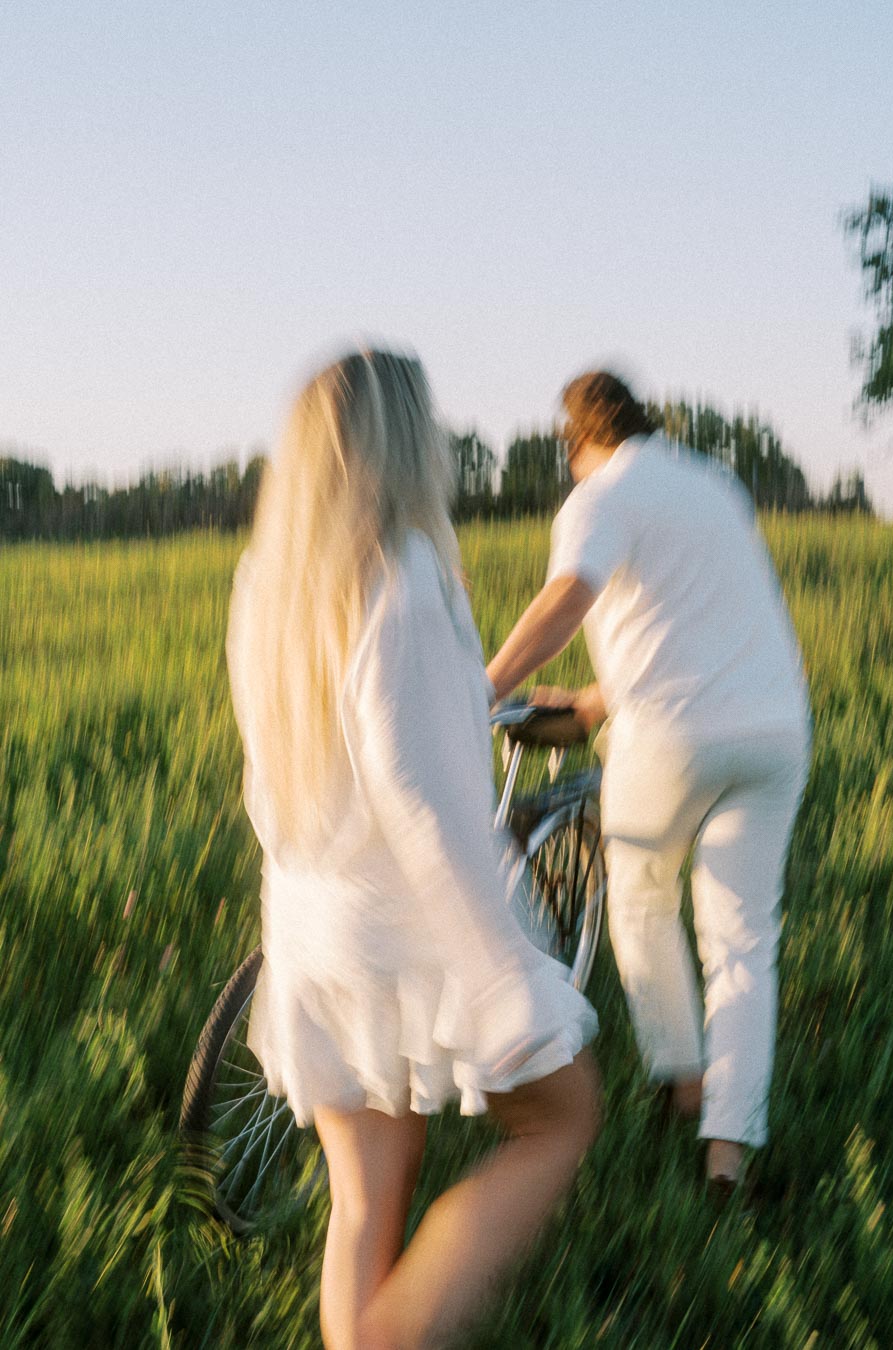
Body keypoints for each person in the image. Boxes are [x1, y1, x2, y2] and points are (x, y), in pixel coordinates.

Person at [226, 349, 600, 1349]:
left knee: (361, 1207)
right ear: (407, 448)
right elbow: (426, 803)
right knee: (560, 1120)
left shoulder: (269, 589)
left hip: (310, 935)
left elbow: (269, 782)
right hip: (405, 935)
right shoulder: (403, 578)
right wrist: (500, 977)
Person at [486, 370, 810, 1194]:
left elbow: (570, 595)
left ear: (577, 444)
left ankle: (683, 1079)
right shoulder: (714, 484)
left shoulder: (599, 495)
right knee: (743, 942)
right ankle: (727, 1153)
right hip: (774, 730)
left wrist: (481, 687)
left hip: (670, 740)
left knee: (637, 892)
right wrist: (595, 702)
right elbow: (694, 621)